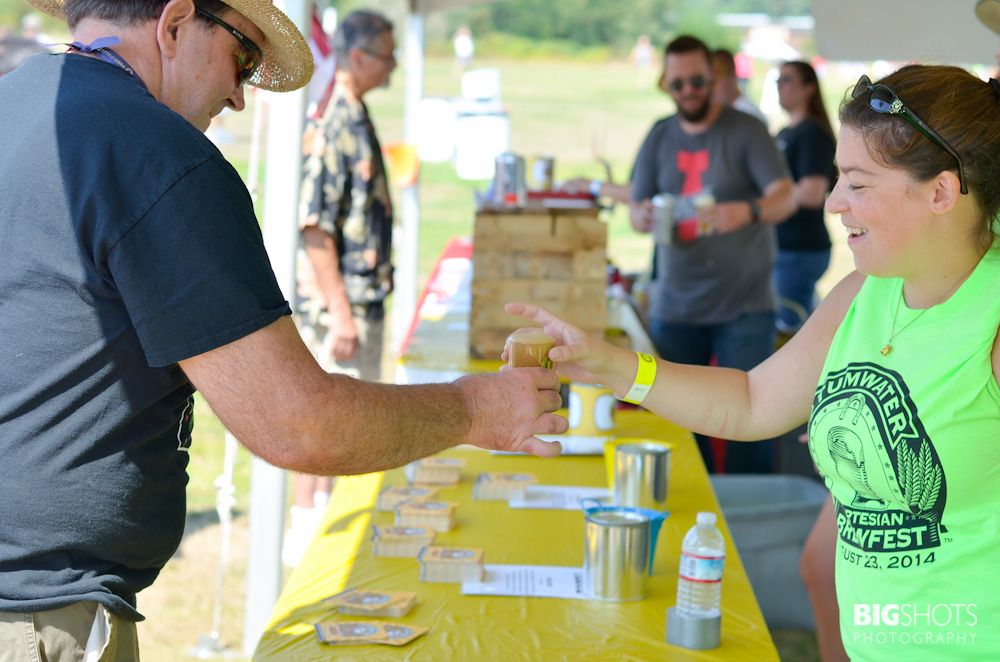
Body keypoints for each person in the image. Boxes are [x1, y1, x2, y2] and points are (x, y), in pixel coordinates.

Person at [0, 0, 564, 656]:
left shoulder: (16, 101)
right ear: (176, 22)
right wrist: (475, 408)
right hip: (38, 612)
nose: (239, 95)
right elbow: (296, 423)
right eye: (242, 55)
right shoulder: (158, 151)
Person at [509, 63, 1000, 659]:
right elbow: (752, 402)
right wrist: (615, 368)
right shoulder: (862, 295)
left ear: (941, 192)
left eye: (859, 183)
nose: (835, 202)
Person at [630, 35, 795, 474]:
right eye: (677, 83)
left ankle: (751, 523)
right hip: (676, 304)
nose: (687, 91)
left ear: (714, 76)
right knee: (679, 429)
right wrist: (642, 215)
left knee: (751, 426)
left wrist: (749, 210)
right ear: (666, 83)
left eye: (697, 81)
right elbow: (635, 207)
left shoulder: (746, 131)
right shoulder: (660, 135)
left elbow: (786, 197)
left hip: (744, 304)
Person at [285, 9, 398, 567]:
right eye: (387, 56)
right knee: (328, 429)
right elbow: (315, 227)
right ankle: (309, 545)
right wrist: (341, 312)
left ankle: (329, 538)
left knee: (347, 431)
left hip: (358, 303)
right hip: (340, 310)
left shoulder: (356, 113)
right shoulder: (336, 121)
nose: (395, 67)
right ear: (358, 58)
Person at [773, 60, 837, 335]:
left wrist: (767, 201)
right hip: (787, 248)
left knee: (791, 329)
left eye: (787, 80)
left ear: (808, 88)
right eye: (778, 80)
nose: (780, 86)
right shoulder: (787, 132)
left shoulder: (811, 133)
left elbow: (812, 193)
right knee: (805, 324)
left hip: (799, 249)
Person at [712, 47, 767, 124]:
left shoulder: (748, 113)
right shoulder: (728, 111)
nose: (712, 87)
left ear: (731, 75)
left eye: (717, 78)